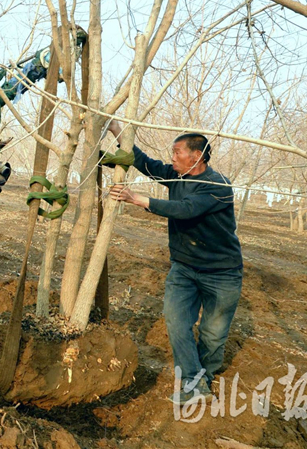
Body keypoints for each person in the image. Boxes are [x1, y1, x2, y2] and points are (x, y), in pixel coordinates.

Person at [107, 120, 242, 404]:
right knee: (177, 323)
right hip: (183, 268)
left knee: (212, 336)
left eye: (177, 152)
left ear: (197, 157)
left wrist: (137, 199)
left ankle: (203, 379)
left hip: (222, 273)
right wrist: (117, 130)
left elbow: (185, 210)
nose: (172, 157)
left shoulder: (218, 186)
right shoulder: (175, 176)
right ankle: (196, 385)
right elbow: (145, 162)